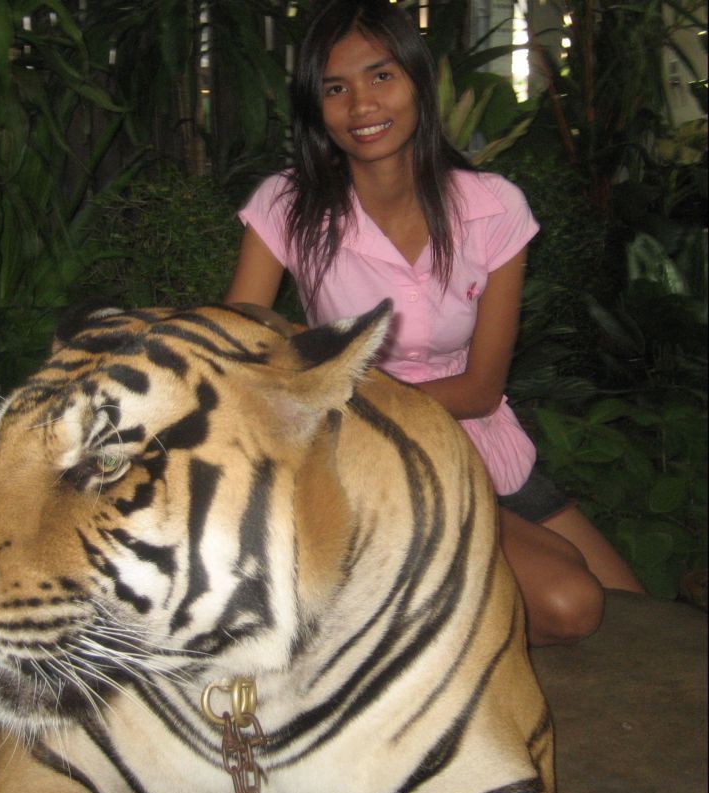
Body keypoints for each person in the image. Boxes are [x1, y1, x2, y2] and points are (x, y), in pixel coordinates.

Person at [224, 0, 644, 645]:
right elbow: (236, 346)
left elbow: (479, 390)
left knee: (633, 613)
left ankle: (403, 618)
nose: (361, 105)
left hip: (480, 440)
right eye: (336, 89)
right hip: (366, 456)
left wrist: (331, 395)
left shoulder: (491, 208)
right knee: (568, 603)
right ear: (316, 107)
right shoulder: (289, 205)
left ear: (418, 81)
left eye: (381, 76)